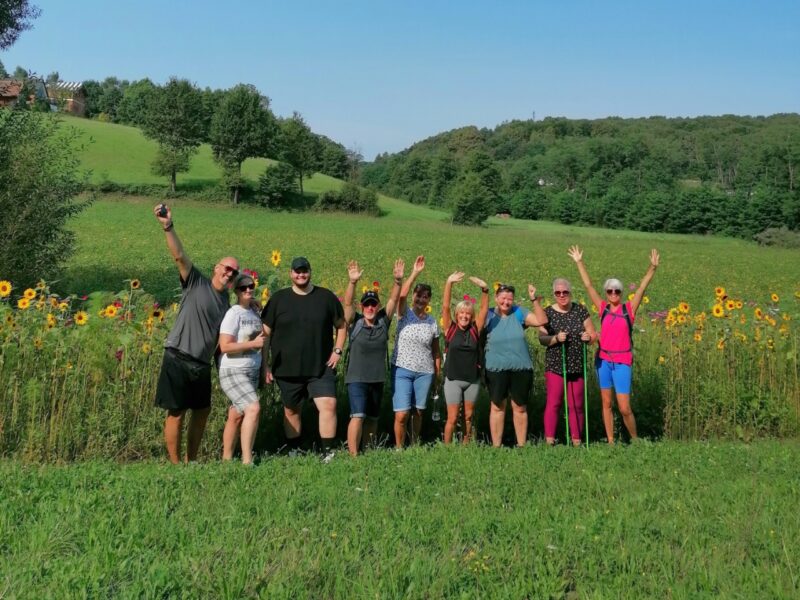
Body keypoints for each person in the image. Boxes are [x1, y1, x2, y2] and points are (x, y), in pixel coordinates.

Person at [153, 203, 236, 464]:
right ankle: (176, 464)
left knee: (202, 411)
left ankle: (192, 460)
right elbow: (179, 255)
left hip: (201, 365)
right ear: (216, 268)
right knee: (176, 413)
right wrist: (168, 226)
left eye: (233, 272)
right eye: (226, 268)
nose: (229, 273)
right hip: (178, 356)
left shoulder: (228, 305)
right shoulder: (195, 281)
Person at [568, 245, 660, 444]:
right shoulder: (603, 309)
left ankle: (635, 439)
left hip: (622, 362)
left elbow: (642, 288)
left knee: (624, 407)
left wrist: (652, 268)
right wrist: (579, 262)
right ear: (606, 293)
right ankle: (611, 441)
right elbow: (589, 286)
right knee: (606, 403)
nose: (613, 293)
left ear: (621, 292)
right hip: (603, 362)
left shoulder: (629, 309)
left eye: (617, 290)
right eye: (610, 290)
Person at [260, 256, 346, 458]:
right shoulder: (278, 299)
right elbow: (265, 335)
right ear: (291, 274)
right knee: (291, 411)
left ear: (310, 272)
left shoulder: (326, 297)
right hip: (286, 368)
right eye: (297, 271)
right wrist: (265, 366)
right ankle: (294, 450)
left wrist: (338, 350)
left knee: (329, 405)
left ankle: (328, 453)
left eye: (304, 271)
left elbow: (341, 326)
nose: (301, 274)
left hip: (321, 366)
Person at [343, 259, 404, 456]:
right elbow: (347, 304)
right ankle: (353, 456)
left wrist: (397, 281)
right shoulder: (355, 322)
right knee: (358, 416)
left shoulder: (383, 322)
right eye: (367, 305)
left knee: (373, 418)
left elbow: (394, 302)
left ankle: (368, 452)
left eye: (373, 305)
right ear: (362, 307)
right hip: (356, 379)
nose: (370, 308)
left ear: (377, 306)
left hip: (377, 379)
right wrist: (352, 283)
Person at [482, 282, 548, 448]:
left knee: (520, 407)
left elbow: (542, 320)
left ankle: (521, 445)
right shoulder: (488, 314)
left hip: (521, 368)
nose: (506, 302)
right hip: (496, 368)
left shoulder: (519, 313)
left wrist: (534, 300)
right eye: (503, 298)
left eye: (509, 299)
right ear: (496, 298)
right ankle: (496, 446)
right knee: (497, 406)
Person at [538, 278, 597, 446]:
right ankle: (550, 441)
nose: (562, 295)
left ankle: (577, 440)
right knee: (554, 402)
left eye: (565, 292)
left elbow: (593, 334)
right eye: (558, 292)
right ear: (554, 294)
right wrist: (556, 338)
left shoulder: (580, 310)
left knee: (577, 404)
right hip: (556, 364)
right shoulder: (547, 312)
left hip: (577, 364)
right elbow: (542, 338)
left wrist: (588, 337)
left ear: (570, 293)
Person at [391, 255, 441, 448]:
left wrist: (437, 374)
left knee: (419, 411)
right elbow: (400, 296)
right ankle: (399, 448)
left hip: (425, 372)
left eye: (425, 296)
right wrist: (414, 272)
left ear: (429, 299)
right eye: (418, 295)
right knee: (402, 413)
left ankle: (414, 444)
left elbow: (436, 352)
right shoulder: (404, 314)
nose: (421, 299)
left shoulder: (432, 322)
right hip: (402, 369)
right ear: (414, 296)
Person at [219, 273, 267, 464]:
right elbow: (225, 346)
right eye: (243, 288)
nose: (248, 290)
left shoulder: (254, 312)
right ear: (236, 291)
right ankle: (247, 461)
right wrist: (252, 344)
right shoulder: (233, 313)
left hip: (251, 370)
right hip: (233, 370)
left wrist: (264, 368)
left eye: (251, 286)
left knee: (236, 414)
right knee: (253, 408)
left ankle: (226, 460)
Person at [440, 272, 489, 444]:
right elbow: (445, 307)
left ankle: (466, 446)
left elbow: (483, 310)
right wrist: (449, 283)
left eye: (468, 313)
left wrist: (485, 289)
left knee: (468, 417)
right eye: (461, 312)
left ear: (471, 316)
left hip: (472, 380)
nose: (464, 316)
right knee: (452, 418)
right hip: (453, 379)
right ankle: (446, 449)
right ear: (456, 314)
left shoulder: (475, 330)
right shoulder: (450, 329)